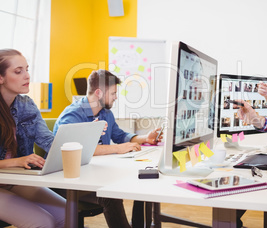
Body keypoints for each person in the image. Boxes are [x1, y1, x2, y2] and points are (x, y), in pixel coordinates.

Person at [54, 69, 162, 228]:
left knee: (141, 177)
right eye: (113, 93)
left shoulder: (106, 113)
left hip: (95, 173)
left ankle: (138, 224)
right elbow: (79, 150)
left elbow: (120, 135)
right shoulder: (72, 116)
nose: (116, 97)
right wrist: (118, 149)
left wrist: (146, 138)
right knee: (109, 196)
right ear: (98, 93)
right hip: (70, 181)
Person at [0, 49, 65, 228]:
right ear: (1, 78)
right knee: (42, 222)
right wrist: (18, 161)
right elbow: (19, 161)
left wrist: (73, 149)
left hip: (15, 181)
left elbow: (48, 141)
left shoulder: (26, 104)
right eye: (18, 71)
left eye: (27, 69)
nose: (27, 76)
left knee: (68, 214)